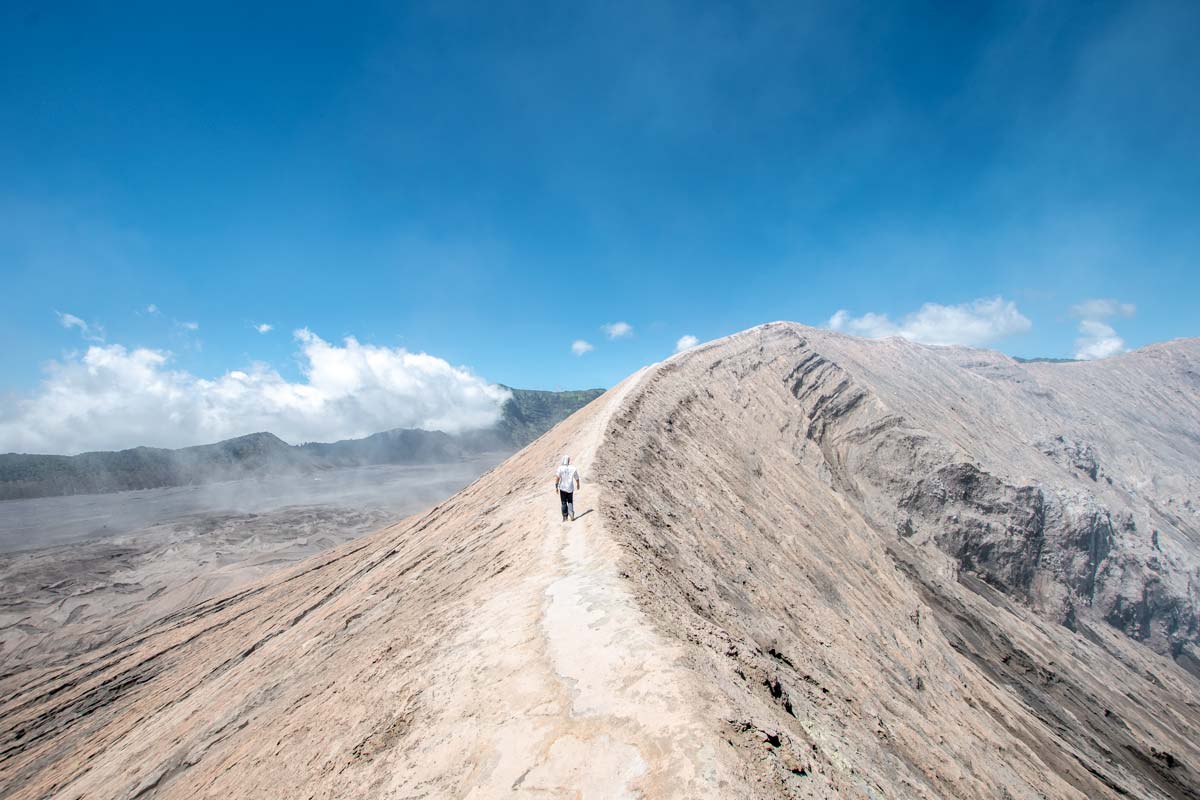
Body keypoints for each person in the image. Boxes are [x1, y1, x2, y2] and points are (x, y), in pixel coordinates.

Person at [555, 455, 580, 521]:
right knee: (570, 501)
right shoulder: (573, 468)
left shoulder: (560, 468)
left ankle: (565, 517)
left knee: (563, 502)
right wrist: (578, 484)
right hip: (570, 488)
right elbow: (576, 477)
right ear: (568, 461)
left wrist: (556, 487)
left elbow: (557, 478)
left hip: (562, 488)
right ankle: (571, 513)